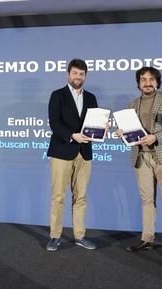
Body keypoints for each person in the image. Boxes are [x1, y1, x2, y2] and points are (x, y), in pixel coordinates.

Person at [116, 67, 162, 260]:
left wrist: (155, 137)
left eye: (151, 79)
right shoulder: (131, 105)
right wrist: (122, 136)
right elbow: (131, 137)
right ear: (138, 83)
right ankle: (147, 238)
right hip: (141, 157)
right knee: (147, 200)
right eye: (143, 79)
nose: (147, 83)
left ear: (157, 82)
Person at [46, 58, 98, 251]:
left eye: (81, 74)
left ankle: (80, 236)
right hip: (62, 151)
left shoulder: (91, 97)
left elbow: (95, 123)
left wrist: (102, 130)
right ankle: (54, 236)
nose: (78, 77)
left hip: (84, 153)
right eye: (75, 73)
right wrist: (72, 135)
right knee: (58, 197)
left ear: (85, 76)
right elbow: (54, 122)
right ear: (68, 74)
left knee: (81, 197)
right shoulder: (57, 95)